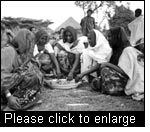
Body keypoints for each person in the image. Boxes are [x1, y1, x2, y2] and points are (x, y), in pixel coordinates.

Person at [76, 27, 144, 101]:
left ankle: (116, 90)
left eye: (110, 36)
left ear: (117, 37)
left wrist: (107, 64)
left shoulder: (127, 50)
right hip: (120, 79)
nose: (107, 39)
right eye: (107, 36)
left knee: (105, 70)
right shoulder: (115, 50)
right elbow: (101, 63)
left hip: (129, 81)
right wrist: (82, 74)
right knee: (96, 81)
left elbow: (125, 72)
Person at [1, 29, 43, 111]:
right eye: (28, 42)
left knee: (32, 73)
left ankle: (16, 99)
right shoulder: (9, 51)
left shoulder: (14, 50)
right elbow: (2, 76)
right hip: (3, 87)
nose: (28, 45)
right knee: (31, 76)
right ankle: (13, 102)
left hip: (4, 86)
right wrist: (9, 96)